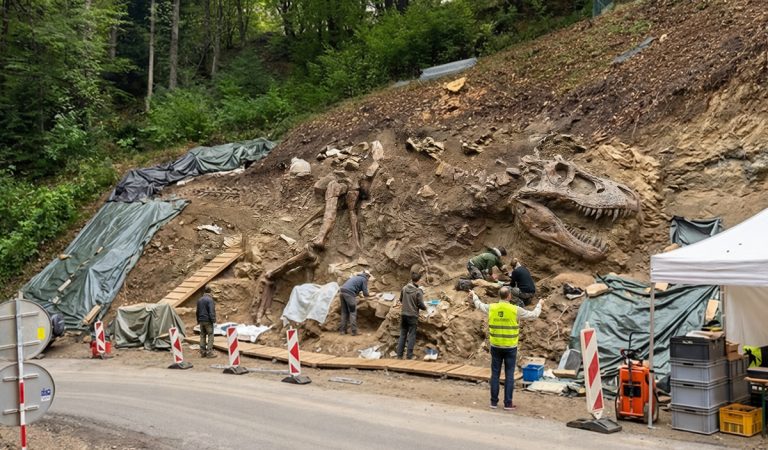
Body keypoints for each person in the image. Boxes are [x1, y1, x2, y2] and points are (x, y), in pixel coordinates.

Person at [469, 286, 543, 410]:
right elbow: (533, 315)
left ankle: (493, 402)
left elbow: (479, 305)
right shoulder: (515, 309)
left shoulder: (492, 308)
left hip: (496, 346)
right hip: (510, 348)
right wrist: (540, 304)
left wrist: (474, 295)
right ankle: (508, 403)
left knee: (495, 375)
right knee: (509, 375)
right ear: (509, 296)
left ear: (500, 296)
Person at [396, 271, 427, 359]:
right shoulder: (418, 291)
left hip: (404, 314)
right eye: (421, 280)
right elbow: (421, 304)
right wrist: (425, 308)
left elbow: (401, 300)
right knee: (412, 335)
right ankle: (409, 356)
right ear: (419, 280)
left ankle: (399, 355)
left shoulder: (405, 288)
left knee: (403, 334)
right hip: (412, 315)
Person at [339, 270, 371, 336]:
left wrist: (359, 294)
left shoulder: (356, 277)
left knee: (344, 312)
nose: (368, 279)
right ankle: (354, 331)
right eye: (369, 277)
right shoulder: (364, 279)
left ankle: (342, 331)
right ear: (367, 276)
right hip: (349, 294)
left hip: (342, 292)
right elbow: (365, 292)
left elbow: (354, 288)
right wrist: (369, 295)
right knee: (352, 312)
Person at [196, 285, 217, 358]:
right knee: (210, 335)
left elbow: (197, 311)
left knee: (202, 335)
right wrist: (213, 320)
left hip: (201, 320)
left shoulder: (199, 300)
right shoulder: (210, 300)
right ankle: (209, 352)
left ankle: (202, 352)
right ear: (210, 291)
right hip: (208, 320)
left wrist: (198, 320)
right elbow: (211, 311)